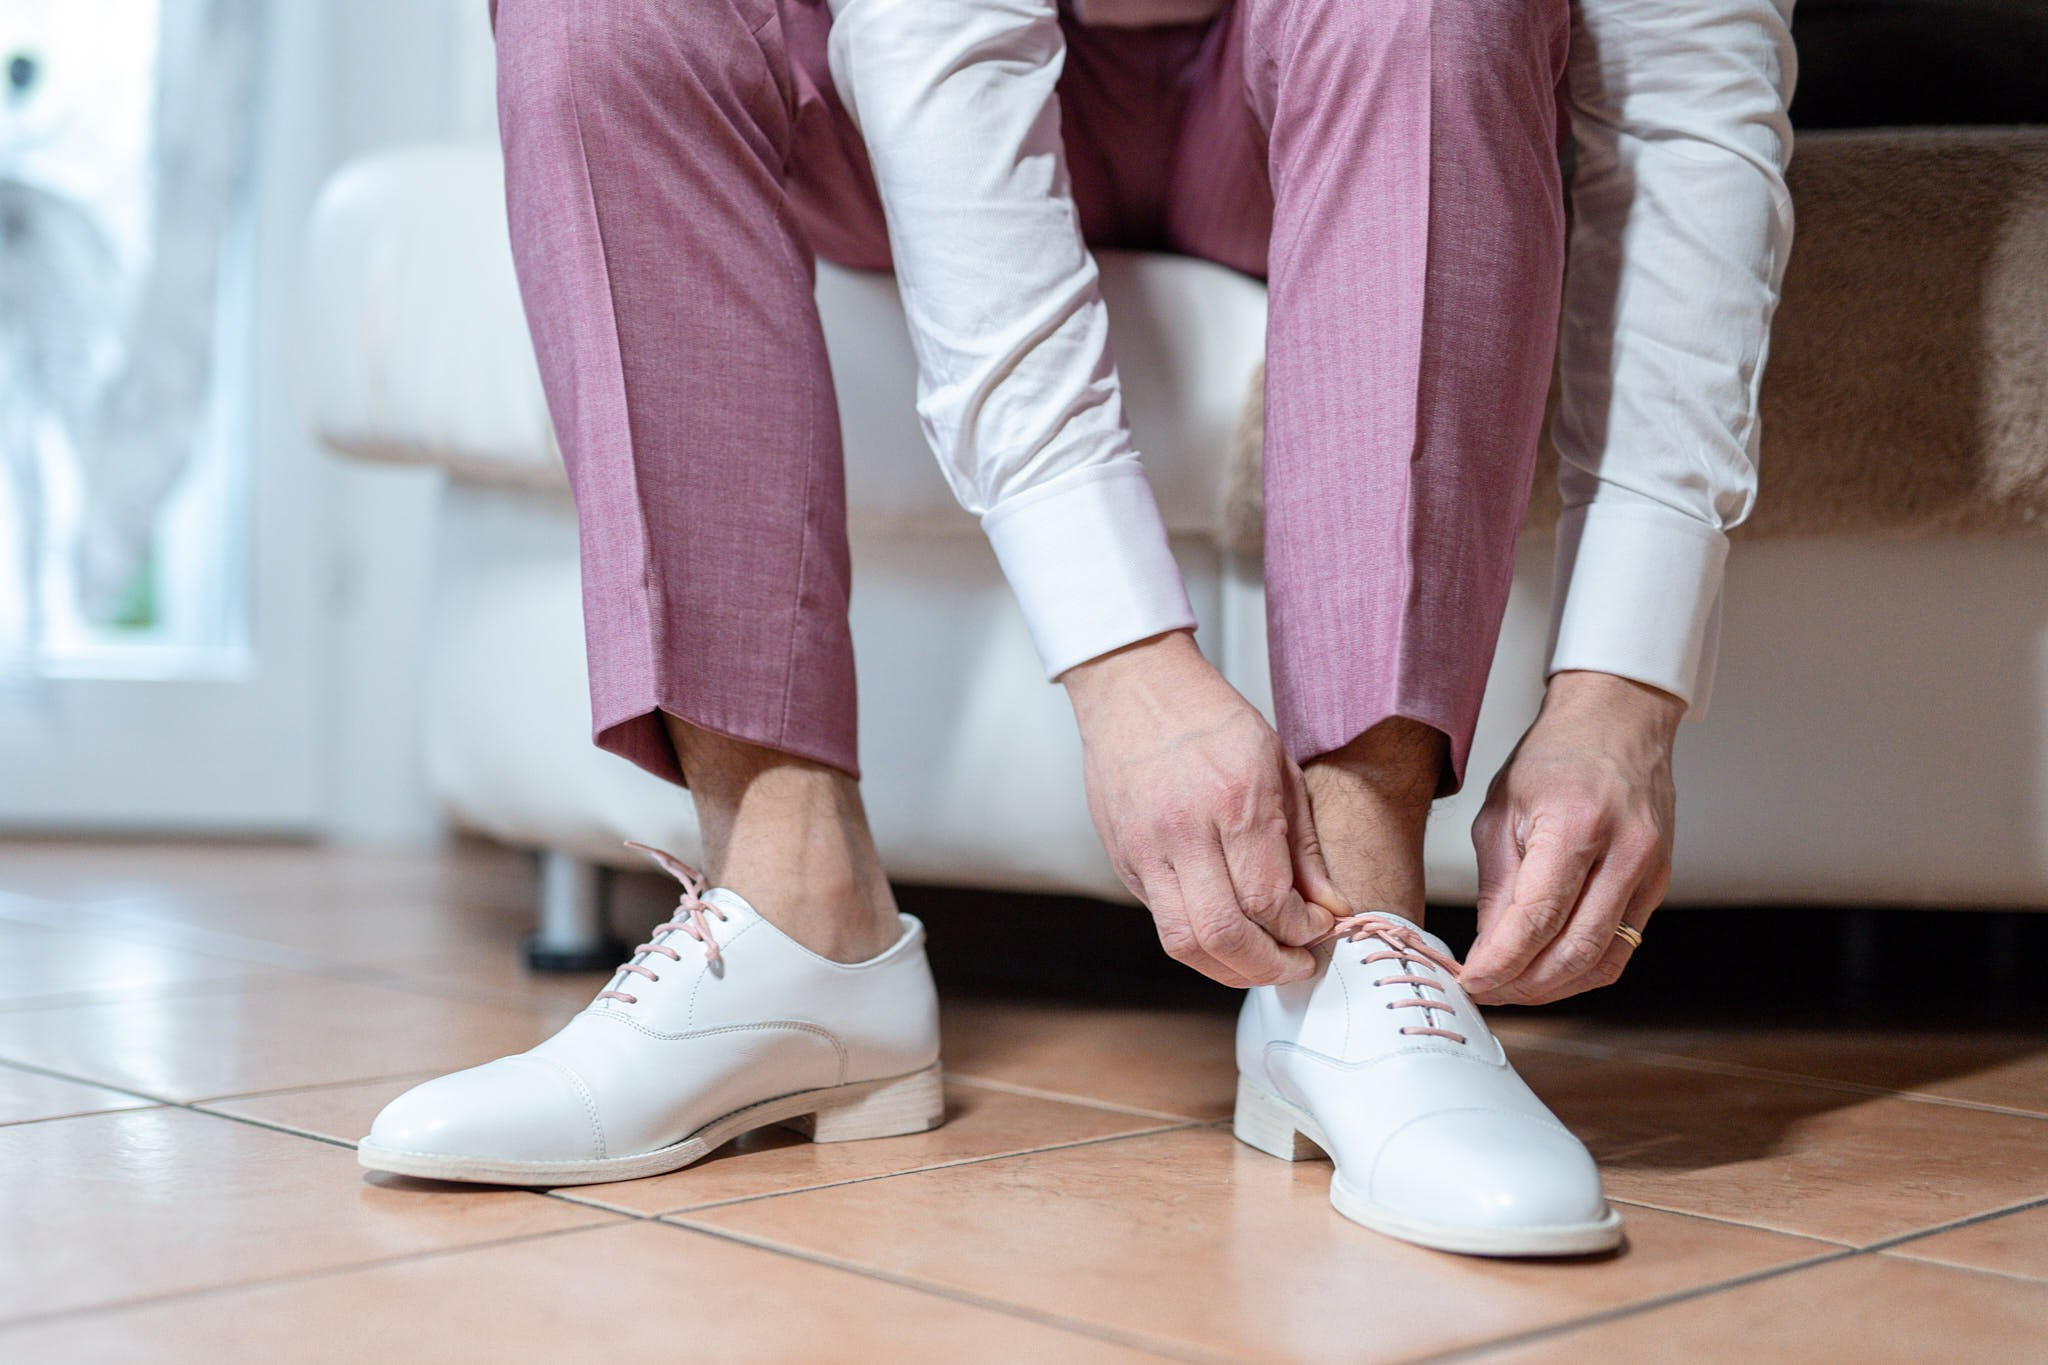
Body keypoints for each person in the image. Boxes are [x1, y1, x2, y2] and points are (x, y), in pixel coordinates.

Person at [359, 0, 1793, 1258]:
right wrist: (1125, 663)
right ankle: (798, 920)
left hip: (1321, 79)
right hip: (898, 77)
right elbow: (938, 43)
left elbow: (1687, 104)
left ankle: (1351, 954)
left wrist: (1626, 686)